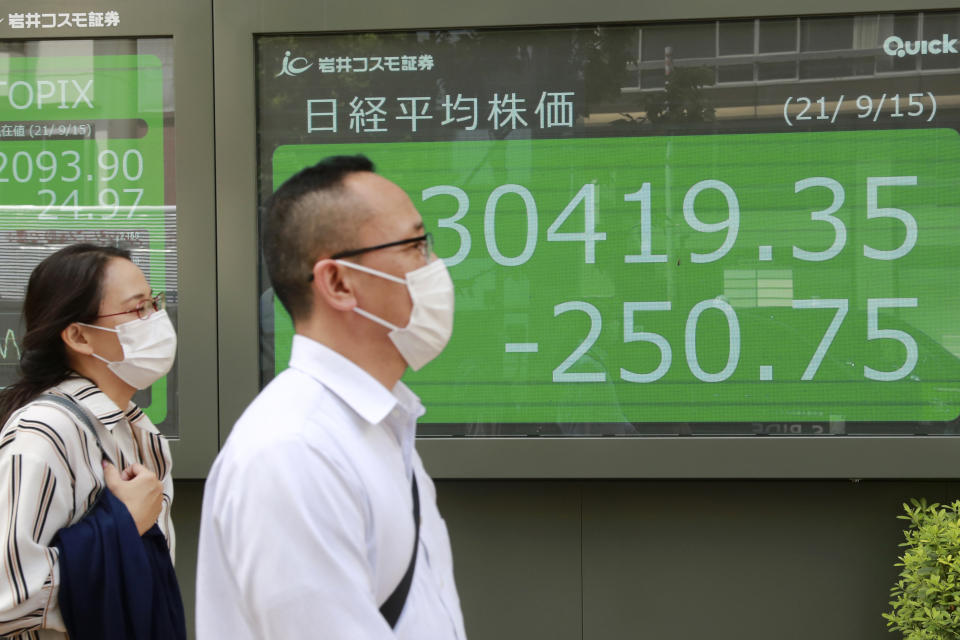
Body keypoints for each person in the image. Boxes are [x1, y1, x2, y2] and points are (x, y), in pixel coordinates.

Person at [196, 155, 468, 639]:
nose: (434, 266)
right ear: (338, 283)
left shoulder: (376, 427)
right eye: (415, 245)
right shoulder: (292, 451)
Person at [0, 243, 181, 639]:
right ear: (80, 336)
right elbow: (6, 599)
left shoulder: (137, 429)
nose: (155, 320)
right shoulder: (43, 433)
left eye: (155, 304)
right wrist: (124, 526)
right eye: (138, 310)